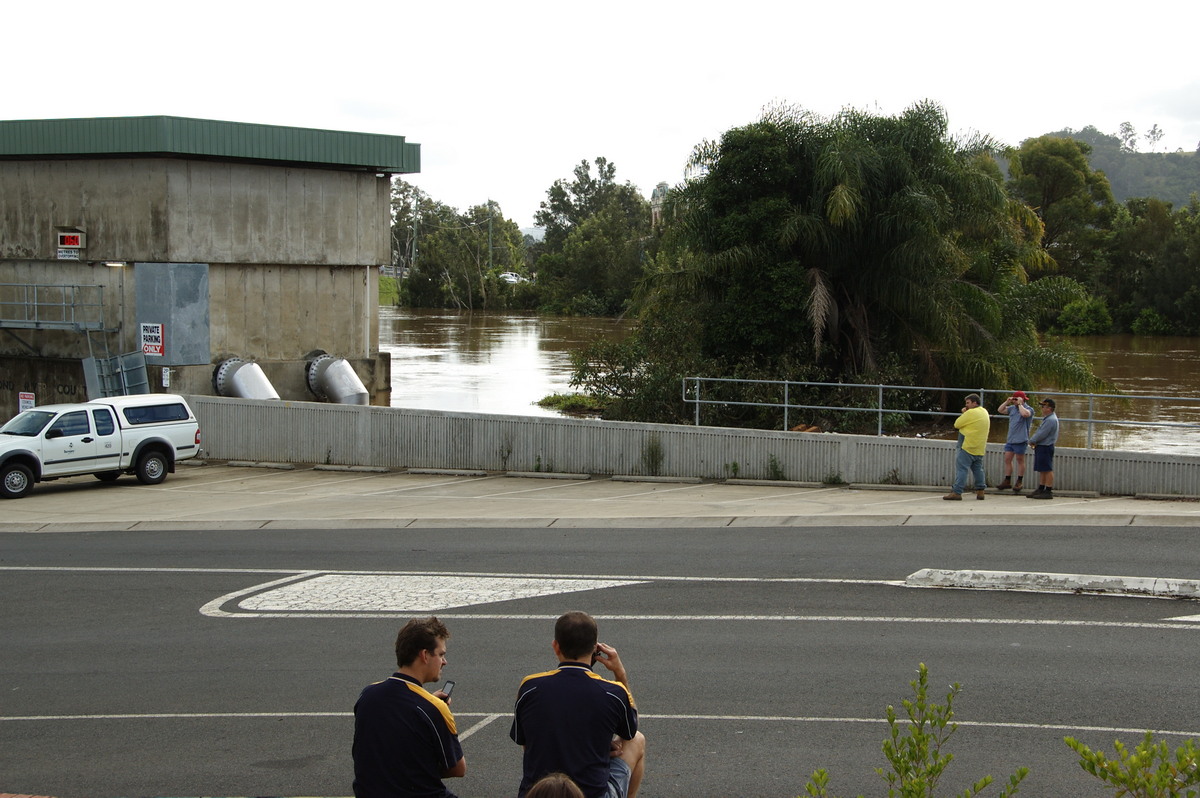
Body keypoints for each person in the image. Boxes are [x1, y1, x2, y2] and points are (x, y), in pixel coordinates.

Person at [511, 611, 646, 798]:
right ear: (595, 649)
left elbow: (526, 743)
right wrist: (620, 674)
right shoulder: (614, 691)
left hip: (538, 793)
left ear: (556, 646)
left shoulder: (530, 686)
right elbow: (629, 731)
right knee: (637, 740)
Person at [353, 617, 466, 798]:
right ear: (424, 655)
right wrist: (438, 710)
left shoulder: (368, 695)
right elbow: (457, 768)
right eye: (441, 654)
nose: (444, 662)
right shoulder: (433, 708)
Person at [943, 393, 990, 500]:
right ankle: (980, 491)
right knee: (978, 469)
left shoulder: (971, 413)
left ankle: (957, 492)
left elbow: (957, 424)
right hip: (979, 447)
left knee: (962, 469)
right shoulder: (984, 411)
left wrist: (964, 413)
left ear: (974, 403)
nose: (966, 405)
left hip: (967, 446)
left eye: (968, 403)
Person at [996, 391, 1033, 493]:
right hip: (1011, 439)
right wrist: (1007, 402)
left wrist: (1020, 404)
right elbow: (1000, 410)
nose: (1015, 401)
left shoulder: (1029, 409)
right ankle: (1007, 480)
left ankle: (1019, 481)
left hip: (1021, 439)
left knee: (1020, 460)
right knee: (1007, 459)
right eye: (1014, 399)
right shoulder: (1012, 409)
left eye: (1016, 399)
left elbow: (1025, 414)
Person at [1027, 397, 1060, 499]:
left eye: (1043, 406)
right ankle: (1041, 488)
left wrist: (1032, 440)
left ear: (1049, 408)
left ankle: (1048, 491)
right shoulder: (1049, 418)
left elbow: (1042, 434)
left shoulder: (1050, 420)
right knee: (1042, 469)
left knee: (1047, 469)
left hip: (1045, 446)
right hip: (1042, 446)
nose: (1042, 408)